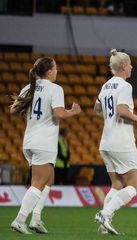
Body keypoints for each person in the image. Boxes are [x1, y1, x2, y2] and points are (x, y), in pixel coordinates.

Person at [10, 57, 81, 234]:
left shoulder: (28, 87)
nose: (57, 71)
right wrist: (72, 112)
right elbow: (59, 114)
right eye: (56, 68)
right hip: (44, 142)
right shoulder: (55, 88)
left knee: (48, 179)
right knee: (38, 182)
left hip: (29, 141)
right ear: (49, 72)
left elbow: (13, 110)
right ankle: (19, 220)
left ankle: (36, 218)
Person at [94, 49, 137, 235]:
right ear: (124, 65)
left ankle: (103, 226)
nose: (132, 67)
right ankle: (105, 214)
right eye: (130, 63)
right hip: (121, 142)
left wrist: (110, 120)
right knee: (135, 186)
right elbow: (123, 110)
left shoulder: (105, 86)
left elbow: (97, 110)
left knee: (117, 185)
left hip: (106, 141)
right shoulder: (125, 86)